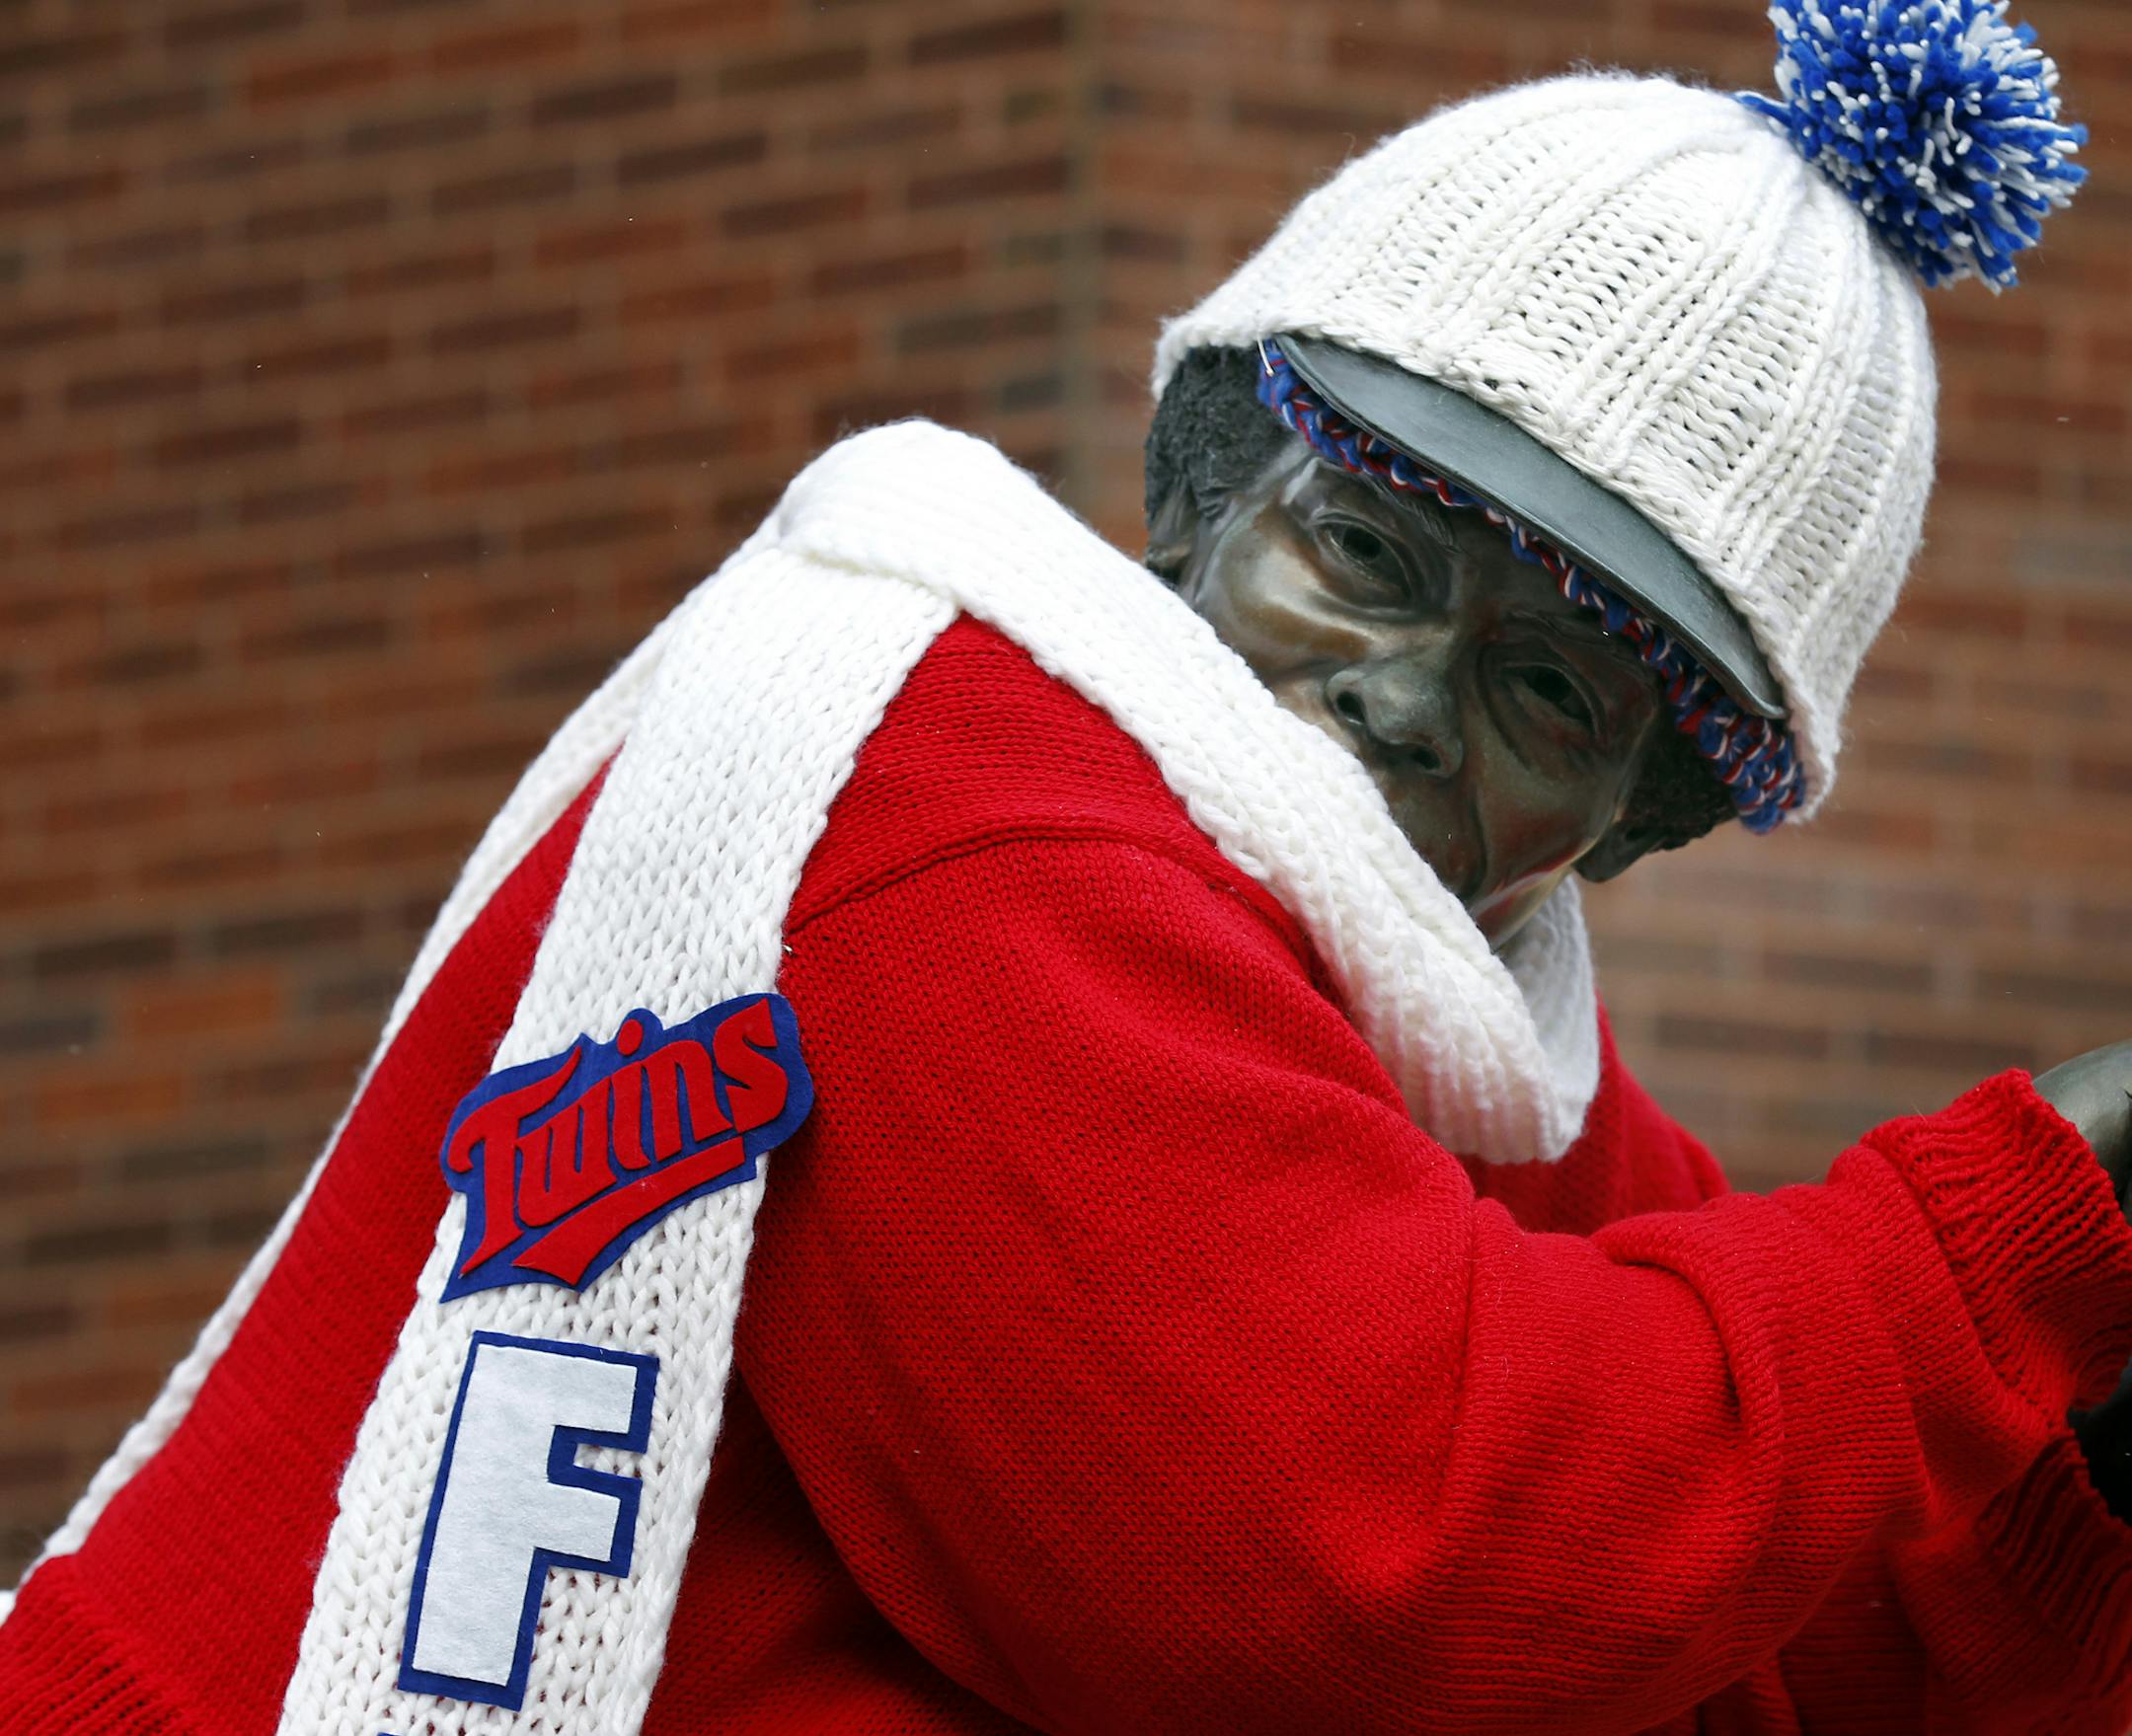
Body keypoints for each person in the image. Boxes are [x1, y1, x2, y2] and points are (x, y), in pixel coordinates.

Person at [6, 3, 2131, 1731]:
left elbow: (1741, 1607)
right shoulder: (966, 795)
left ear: (1640, 828)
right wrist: (2028, 1229)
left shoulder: (1435, 1030)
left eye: (1553, 694)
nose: (1401, 697)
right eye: (1370, 549)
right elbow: (1373, 1568)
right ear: (1198, 487)